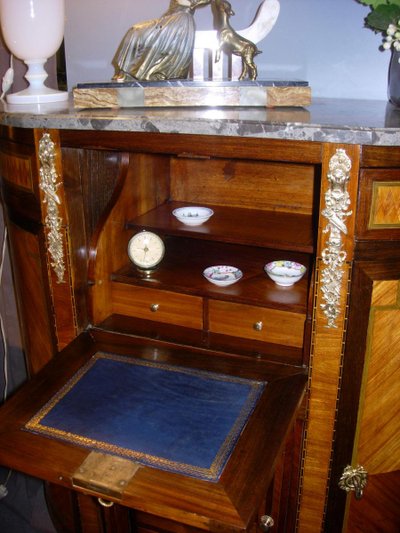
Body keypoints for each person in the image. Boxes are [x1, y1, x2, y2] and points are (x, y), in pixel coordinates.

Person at [112, 0, 211, 81]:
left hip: (179, 24)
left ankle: (136, 73)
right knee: (135, 31)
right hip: (169, 20)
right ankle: (128, 73)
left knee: (136, 31)